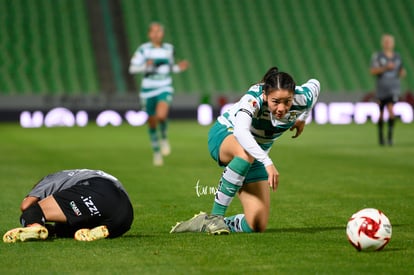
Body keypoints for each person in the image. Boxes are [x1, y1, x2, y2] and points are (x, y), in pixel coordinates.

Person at [170, 67, 320, 234]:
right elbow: (241, 132)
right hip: (225, 134)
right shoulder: (253, 98)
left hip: (255, 152)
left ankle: (202, 223)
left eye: (287, 101)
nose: (281, 108)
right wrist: (267, 162)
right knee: (245, 152)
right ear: (265, 95)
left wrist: (302, 119)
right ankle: (215, 217)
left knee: (255, 224)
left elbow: (315, 84)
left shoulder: (303, 97)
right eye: (275, 101)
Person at [3, 169, 134, 243]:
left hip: (97, 191)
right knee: (62, 227)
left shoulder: (47, 180)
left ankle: (35, 227)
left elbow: (26, 205)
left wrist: (36, 217)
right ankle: (101, 230)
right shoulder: (76, 175)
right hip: (124, 217)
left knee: (33, 212)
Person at [129, 22, 189, 166]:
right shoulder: (144, 50)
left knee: (161, 115)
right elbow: (132, 69)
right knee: (152, 120)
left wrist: (179, 68)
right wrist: (146, 66)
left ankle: (164, 138)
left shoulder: (168, 49)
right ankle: (156, 152)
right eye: (153, 32)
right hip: (148, 89)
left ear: (162, 33)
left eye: (159, 31)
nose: (156, 34)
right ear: (149, 34)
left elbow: (169, 68)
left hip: (164, 86)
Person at [370, 34, 406, 146]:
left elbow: (401, 71)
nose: (388, 43)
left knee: (391, 110)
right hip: (381, 88)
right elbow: (373, 71)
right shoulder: (378, 56)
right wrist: (385, 68)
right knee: (381, 113)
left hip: (393, 88)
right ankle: (381, 136)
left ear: (393, 43)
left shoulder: (397, 57)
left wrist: (402, 73)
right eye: (386, 41)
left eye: (389, 41)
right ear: (383, 44)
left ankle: (390, 137)